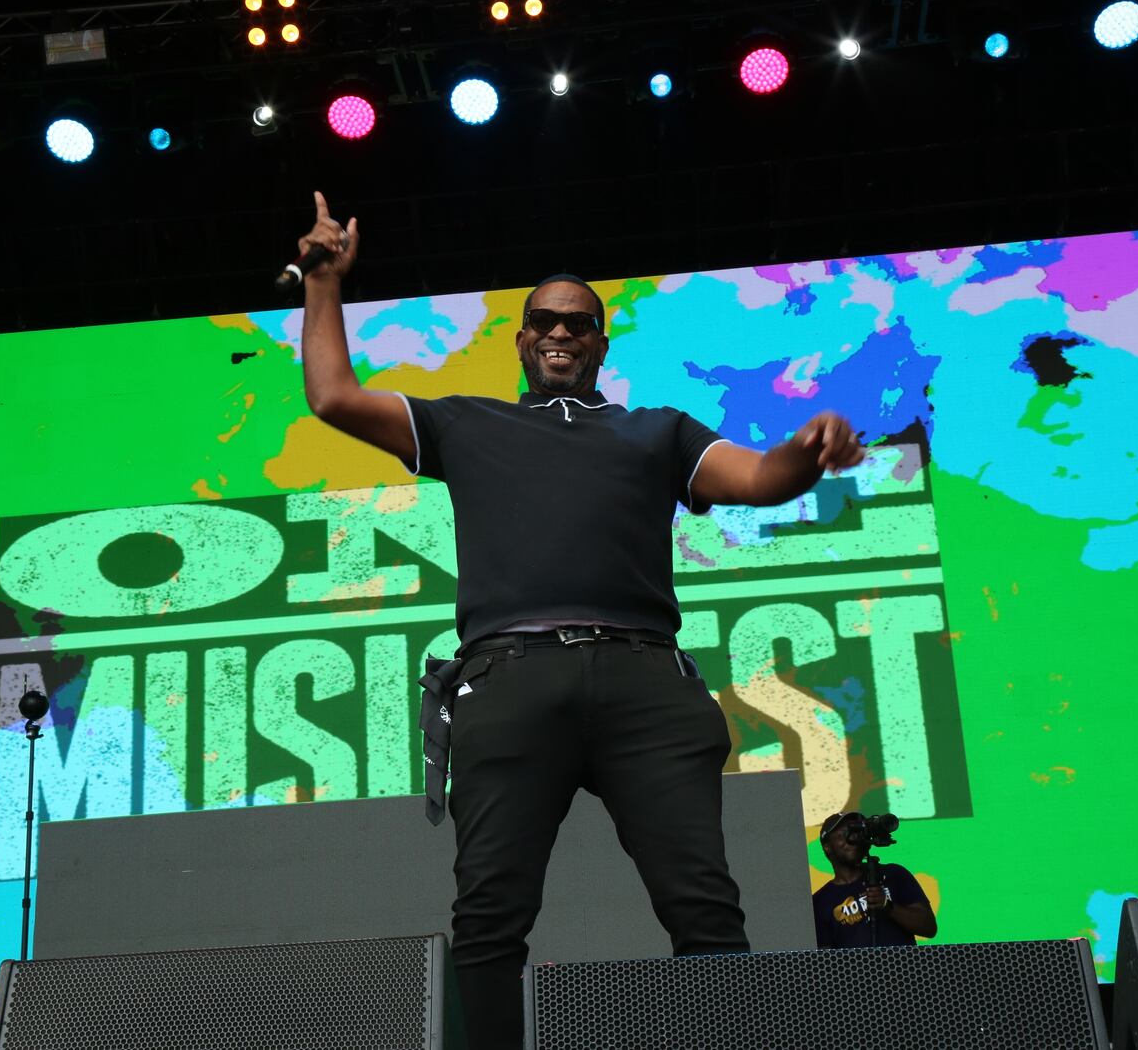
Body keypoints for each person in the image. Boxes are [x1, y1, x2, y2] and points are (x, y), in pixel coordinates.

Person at [295, 191, 868, 1048]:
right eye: (544, 321)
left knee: (706, 908)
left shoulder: (658, 432)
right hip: (511, 680)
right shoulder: (465, 423)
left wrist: (806, 448)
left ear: (601, 343)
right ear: (521, 339)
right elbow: (333, 397)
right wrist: (324, 282)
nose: (560, 332)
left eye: (579, 323)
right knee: (490, 913)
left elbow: (756, 478)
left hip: (646, 682)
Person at [812, 811, 938, 949]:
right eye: (844, 834)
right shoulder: (819, 902)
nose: (852, 838)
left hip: (904, 969)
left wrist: (888, 906)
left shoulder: (894, 874)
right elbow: (823, 960)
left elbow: (928, 927)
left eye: (856, 832)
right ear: (827, 846)